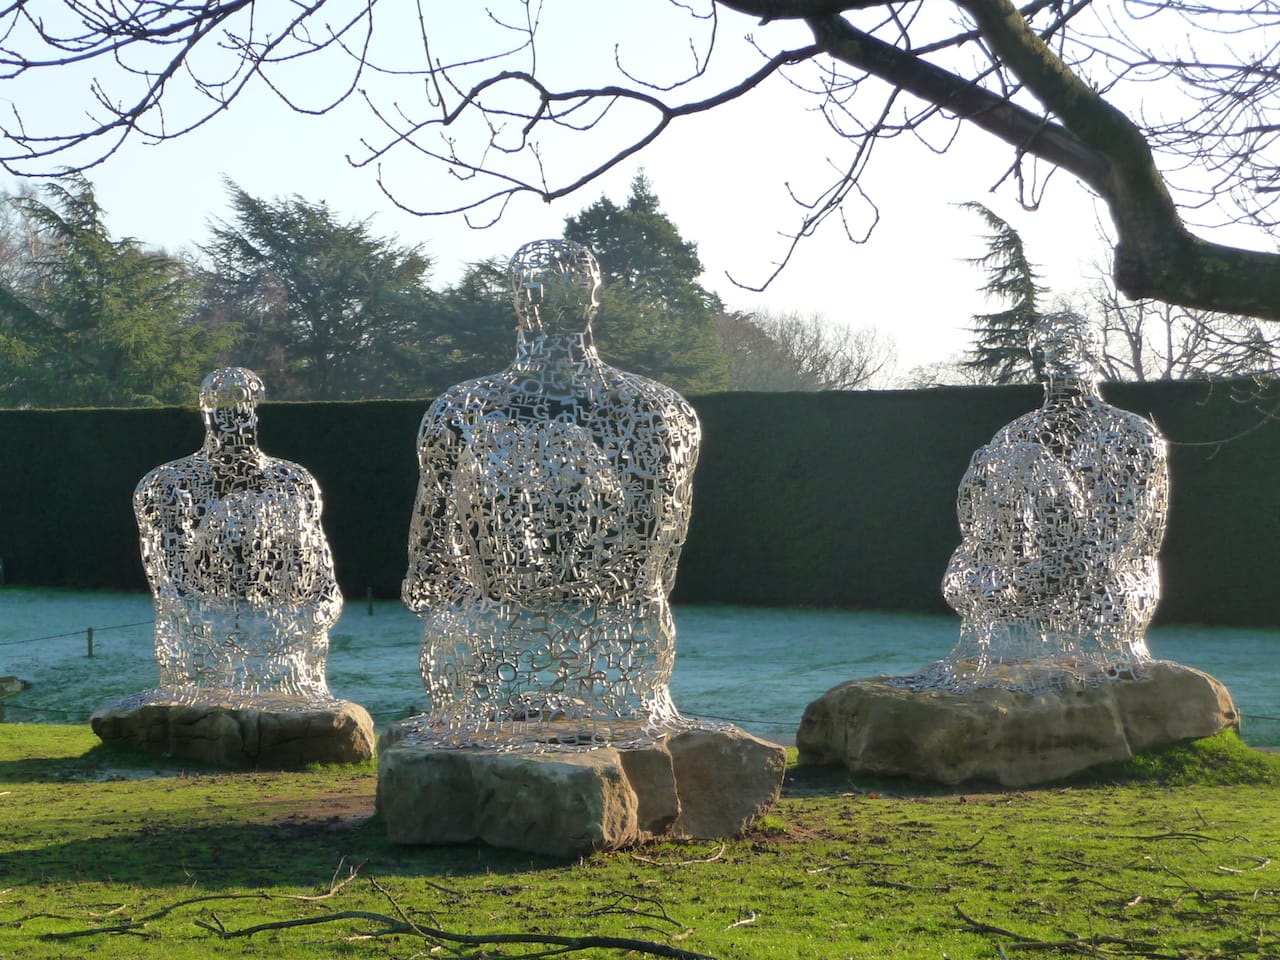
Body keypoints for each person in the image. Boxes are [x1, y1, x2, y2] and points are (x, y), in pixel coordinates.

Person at [402, 239, 701, 746]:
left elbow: (427, 574)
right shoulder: (659, 411)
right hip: (621, 665)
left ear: (520, 301)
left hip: (484, 671)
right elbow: (659, 564)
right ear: (594, 301)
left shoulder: (461, 410)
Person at [923, 312, 1169, 692]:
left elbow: (1107, 548)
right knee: (1007, 457)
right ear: (1038, 360)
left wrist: (1010, 588)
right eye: (1052, 350)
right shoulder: (1015, 434)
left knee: (1024, 460)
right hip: (1016, 587)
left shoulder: (1130, 434)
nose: (1063, 359)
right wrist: (969, 580)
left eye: (1074, 348)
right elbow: (977, 532)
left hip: (1108, 592)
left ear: (1096, 353)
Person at [134, 367, 342, 703]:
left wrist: (314, 615)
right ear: (207, 414)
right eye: (226, 412)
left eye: (247, 410)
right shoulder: (167, 484)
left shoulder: (293, 482)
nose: (238, 421)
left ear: (257, 416)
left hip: (285, 657)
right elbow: (170, 587)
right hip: (201, 657)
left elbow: (322, 578)